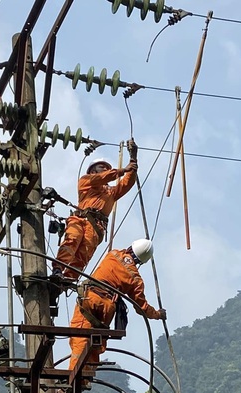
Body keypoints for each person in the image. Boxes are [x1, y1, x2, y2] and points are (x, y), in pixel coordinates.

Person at [68, 238, 167, 373]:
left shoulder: (113, 254)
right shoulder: (136, 279)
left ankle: (73, 377)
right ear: (140, 262)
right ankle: (84, 378)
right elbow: (142, 308)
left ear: (131, 248)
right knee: (96, 343)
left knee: (80, 337)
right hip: (107, 307)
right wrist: (158, 314)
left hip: (90, 298)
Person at [52, 141, 138, 280]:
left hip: (96, 227)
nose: (105, 170)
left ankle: (66, 281)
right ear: (93, 171)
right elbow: (101, 178)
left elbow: (127, 183)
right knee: (72, 240)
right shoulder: (86, 181)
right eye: (102, 167)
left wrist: (133, 159)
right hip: (80, 219)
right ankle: (58, 269)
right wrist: (122, 170)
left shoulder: (111, 192)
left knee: (83, 255)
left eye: (107, 168)